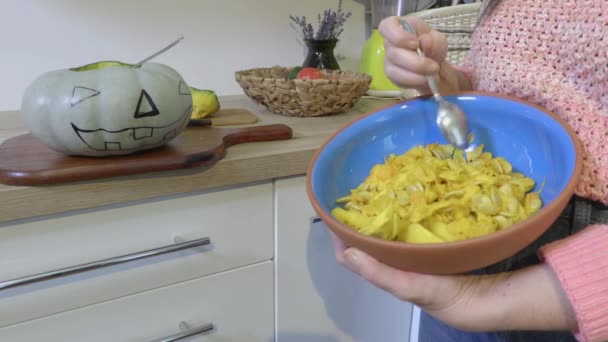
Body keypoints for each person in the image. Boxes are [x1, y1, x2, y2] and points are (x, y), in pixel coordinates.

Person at [331, 1, 608, 341]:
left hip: (571, 277)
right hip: (464, 249)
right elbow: (499, 84)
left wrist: (482, 299)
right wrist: (442, 78)